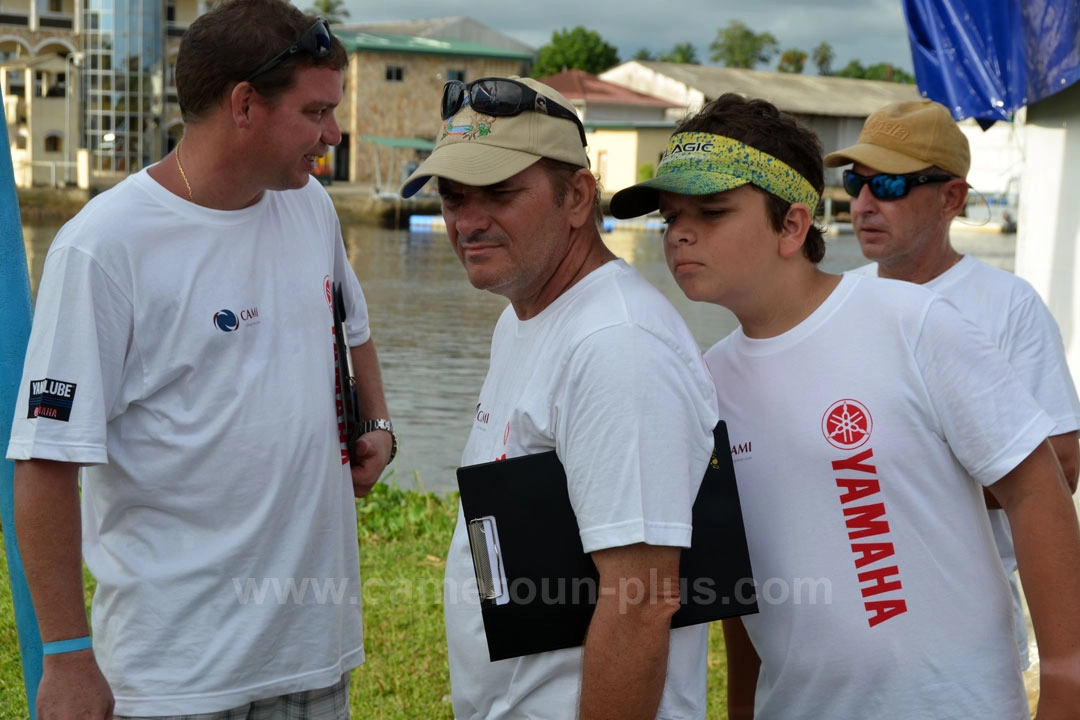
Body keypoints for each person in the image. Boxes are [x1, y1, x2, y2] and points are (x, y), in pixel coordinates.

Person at [609, 93, 1080, 719]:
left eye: (713, 211)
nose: (682, 235)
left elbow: (1038, 490)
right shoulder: (703, 383)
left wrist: (1067, 687)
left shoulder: (914, 324)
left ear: (793, 226)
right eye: (670, 218)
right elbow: (741, 578)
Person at [6, 0, 397, 717]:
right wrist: (65, 656)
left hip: (314, 654)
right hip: (176, 677)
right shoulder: (104, 249)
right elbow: (44, 462)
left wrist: (375, 420)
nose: (333, 136)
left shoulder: (309, 208)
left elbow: (353, 325)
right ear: (245, 105)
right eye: (315, 113)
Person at [398, 76, 720, 719]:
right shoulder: (526, 315)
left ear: (577, 197)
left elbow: (641, 600)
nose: (468, 220)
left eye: (500, 194)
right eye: (454, 196)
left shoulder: (616, 345)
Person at [823, 98, 1080, 671]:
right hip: (845, 622)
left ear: (952, 198)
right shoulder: (837, 298)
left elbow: (1061, 466)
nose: (862, 204)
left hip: (965, 630)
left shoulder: (1009, 306)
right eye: (854, 182)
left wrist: (891, 482)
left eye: (888, 184)